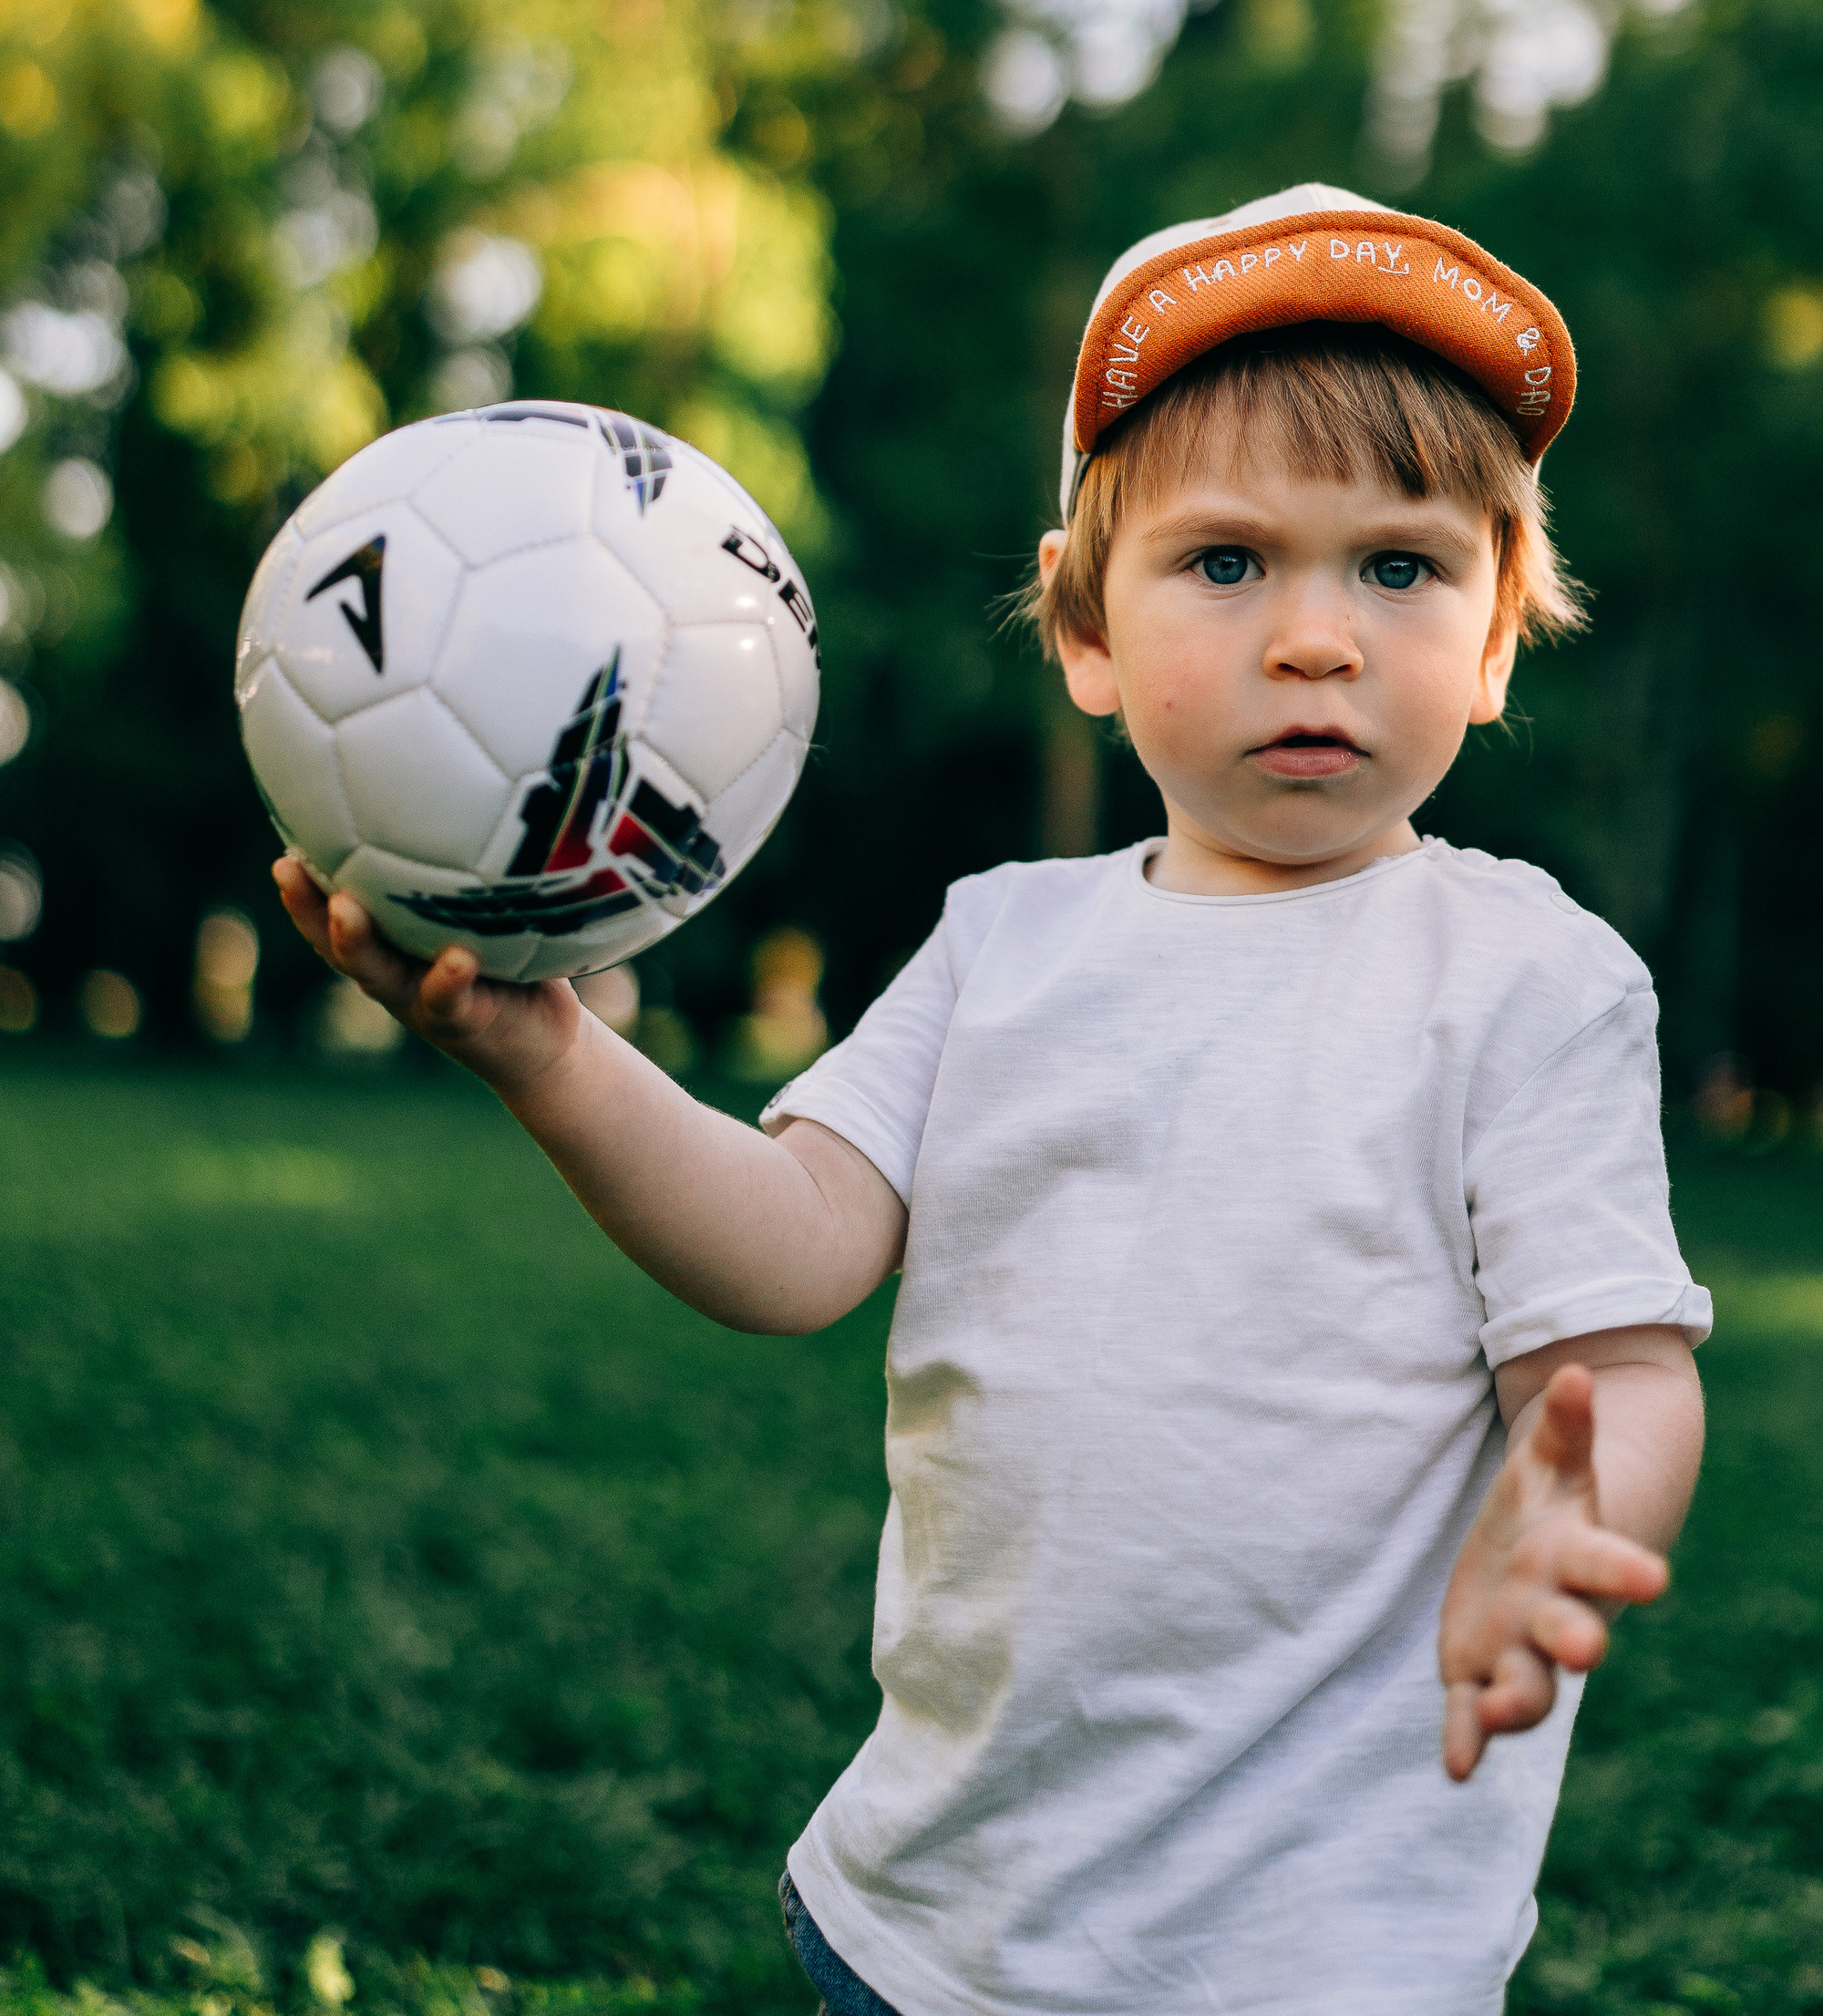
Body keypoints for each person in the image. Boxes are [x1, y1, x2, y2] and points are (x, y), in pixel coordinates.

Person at [276, 180, 1710, 2016]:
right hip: (933, 1918)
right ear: (1083, 633)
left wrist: (1570, 1520)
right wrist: (553, 1054)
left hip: (1316, 1950)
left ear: (1499, 633)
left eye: (1399, 568)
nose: (1314, 638)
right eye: (1223, 562)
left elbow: (1612, 1374)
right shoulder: (1001, 947)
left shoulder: (1524, 979)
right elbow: (793, 1248)